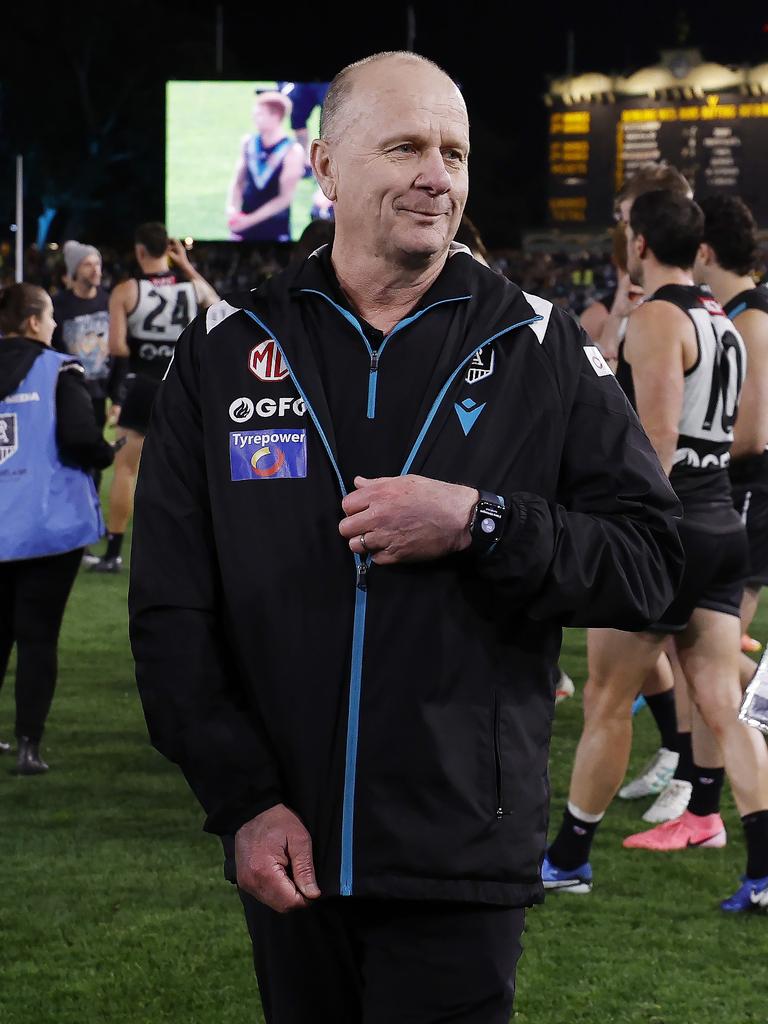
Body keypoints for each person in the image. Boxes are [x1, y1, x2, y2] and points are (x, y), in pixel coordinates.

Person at [130, 52, 683, 1021]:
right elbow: (172, 608)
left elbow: (651, 564)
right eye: (406, 146)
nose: (438, 174)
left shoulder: (541, 344)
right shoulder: (226, 354)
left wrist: (483, 520)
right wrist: (243, 800)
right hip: (285, 843)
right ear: (326, 165)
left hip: (461, 847)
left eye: (454, 152)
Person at [543, 190, 768, 912]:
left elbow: (658, 440)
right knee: (723, 706)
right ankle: (763, 872)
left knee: (607, 700)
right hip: (720, 526)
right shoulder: (720, 319)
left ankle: (569, 858)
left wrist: (621, 526)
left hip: (665, 533)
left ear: (640, 241)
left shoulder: (659, 317)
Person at [0, 284, 114, 772]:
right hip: (46, 526)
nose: (53, 325)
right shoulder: (58, 368)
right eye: (48, 316)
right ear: (31, 321)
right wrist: (107, 453)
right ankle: (28, 745)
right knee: (38, 636)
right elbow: (80, 437)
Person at [90, 224, 217, 573]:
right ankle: (193, 552)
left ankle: (114, 552)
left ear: (139, 251)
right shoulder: (190, 286)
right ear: (169, 250)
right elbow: (219, 308)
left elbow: (116, 347)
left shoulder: (127, 290)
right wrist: (187, 266)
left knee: (127, 469)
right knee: (190, 471)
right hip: (184, 384)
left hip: (144, 384)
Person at [695, 195, 768, 685]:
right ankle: (692, 763)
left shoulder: (751, 319)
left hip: (749, 494)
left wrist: (691, 458)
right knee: (704, 654)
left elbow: (752, 433)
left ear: (704, 252)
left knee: (712, 657)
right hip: (740, 495)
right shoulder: (739, 312)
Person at [52, 240, 124, 495]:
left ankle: (90, 508)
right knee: (69, 452)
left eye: (97, 263)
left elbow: (119, 352)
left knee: (95, 456)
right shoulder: (57, 306)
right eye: (87, 264)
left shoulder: (110, 301)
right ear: (74, 270)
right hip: (67, 392)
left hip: (98, 394)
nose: (96, 270)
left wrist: (118, 397)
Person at [227, 91, 305, 242]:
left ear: (275, 117)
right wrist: (232, 211)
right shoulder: (248, 143)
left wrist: (249, 220)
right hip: (243, 225)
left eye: (259, 114)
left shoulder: (292, 151)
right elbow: (238, 182)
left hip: (274, 229)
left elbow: (284, 198)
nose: (254, 118)